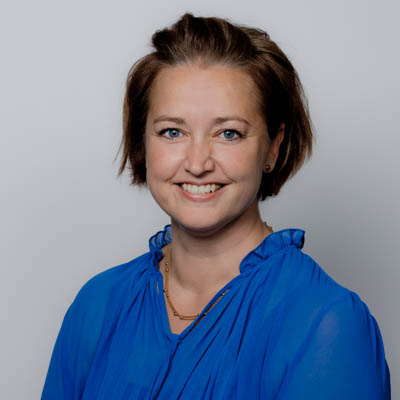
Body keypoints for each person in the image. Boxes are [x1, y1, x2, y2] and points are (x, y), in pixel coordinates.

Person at [41, 13, 391, 399]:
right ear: (142, 142)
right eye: (172, 131)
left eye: (229, 133)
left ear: (273, 147)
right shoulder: (97, 304)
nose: (197, 163)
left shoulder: (325, 322)